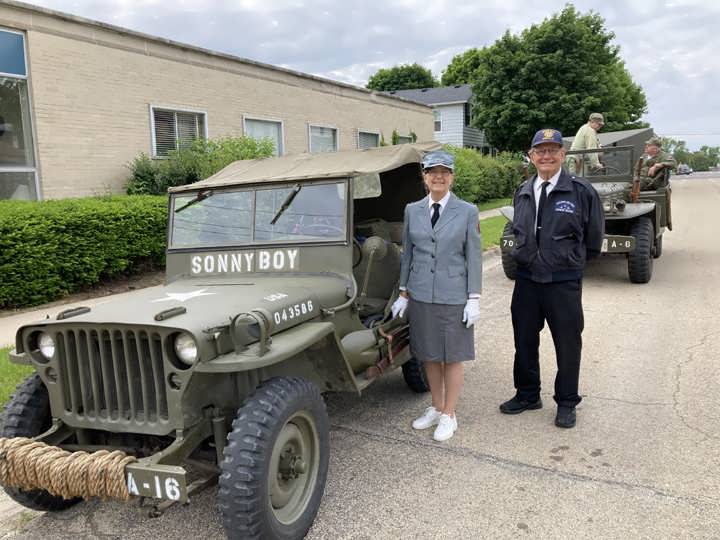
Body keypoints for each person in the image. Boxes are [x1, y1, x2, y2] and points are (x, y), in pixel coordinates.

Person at [499, 129, 604, 428]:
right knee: (524, 341)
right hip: (526, 280)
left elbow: (594, 240)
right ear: (531, 156)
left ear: (562, 154)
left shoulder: (581, 191)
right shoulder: (523, 191)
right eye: (540, 151)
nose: (546, 156)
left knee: (567, 344)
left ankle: (567, 402)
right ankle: (528, 394)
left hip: (563, 282)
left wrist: (568, 263)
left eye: (552, 150)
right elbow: (519, 231)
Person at [391, 150, 482, 442]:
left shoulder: (466, 211)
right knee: (429, 355)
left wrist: (474, 297)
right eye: (432, 172)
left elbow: (474, 257)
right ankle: (437, 406)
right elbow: (408, 254)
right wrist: (404, 292)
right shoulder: (412, 210)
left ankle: (449, 414)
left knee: (452, 356)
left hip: (454, 294)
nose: (438, 177)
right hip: (421, 294)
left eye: (444, 172)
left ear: (452, 176)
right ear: (424, 177)